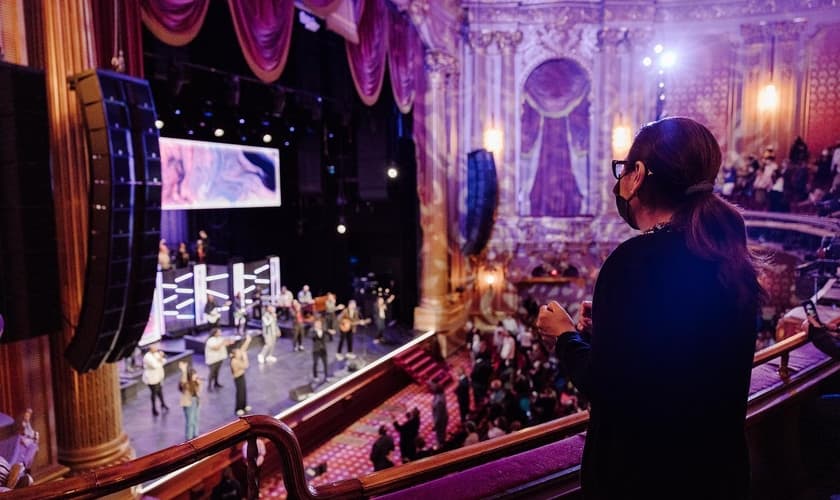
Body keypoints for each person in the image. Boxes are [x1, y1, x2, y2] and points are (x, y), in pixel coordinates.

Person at [536, 117, 765, 499]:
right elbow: (677, 360)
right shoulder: (726, 254)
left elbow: (608, 385)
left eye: (622, 169)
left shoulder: (633, 261)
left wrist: (564, 337)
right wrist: (609, 329)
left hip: (644, 478)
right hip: (717, 473)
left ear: (637, 175)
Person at [142, 343, 169, 416]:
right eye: (155, 346)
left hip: (158, 377)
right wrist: (160, 358)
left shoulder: (156, 354)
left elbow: (164, 361)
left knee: (160, 391)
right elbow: (155, 365)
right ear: (150, 348)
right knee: (154, 392)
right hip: (151, 378)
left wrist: (160, 358)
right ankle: (154, 409)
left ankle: (163, 404)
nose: (157, 348)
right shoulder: (147, 357)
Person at [230, 334, 253, 416]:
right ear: (235, 354)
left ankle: (244, 405)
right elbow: (246, 365)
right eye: (238, 352)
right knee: (240, 393)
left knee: (244, 391)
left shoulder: (237, 357)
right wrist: (245, 356)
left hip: (242, 376)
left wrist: (248, 340)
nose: (240, 352)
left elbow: (243, 349)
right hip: (238, 378)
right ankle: (238, 408)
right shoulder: (235, 361)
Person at [178, 361, 201, 440]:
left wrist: (198, 384)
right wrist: (184, 371)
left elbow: (198, 392)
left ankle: (196, 434)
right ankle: (189, 437)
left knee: (196, 419)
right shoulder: (186, 384)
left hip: (196, 402)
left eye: (196, 374)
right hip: (188, 403)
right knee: (190, 421)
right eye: (194, 375)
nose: (196, 376)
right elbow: (183, 382)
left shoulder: (196, 382)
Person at [431, 383, 449, 449]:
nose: (432, 388)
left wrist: (435, 425)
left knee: (440, 434)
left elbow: (439, 415)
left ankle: (441, 446)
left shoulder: (439, 402)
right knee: (442, 433)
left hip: (441, 420)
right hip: (443, 417)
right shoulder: (440, 394)